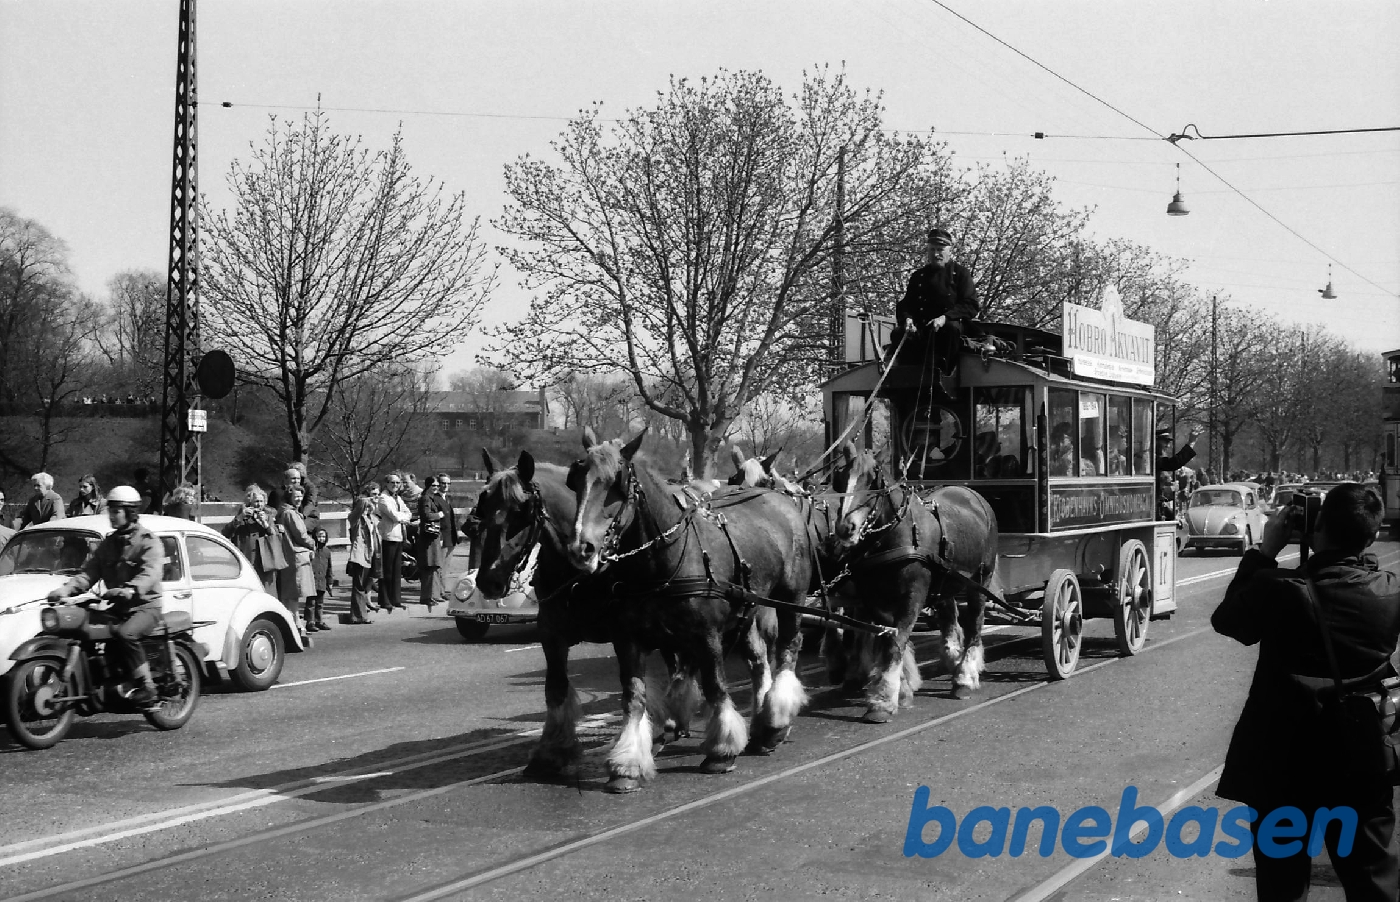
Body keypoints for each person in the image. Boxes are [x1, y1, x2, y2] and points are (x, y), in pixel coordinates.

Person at [1212, 484, 1400, 900]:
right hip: (1360, 754)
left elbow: (1228, 621)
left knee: (1282, 885)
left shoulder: (1277, 588)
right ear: (1371, 536)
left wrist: (1264, 552)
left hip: (1284, 759)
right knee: (1372, 880)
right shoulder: (1388, 589)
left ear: (1318, 528)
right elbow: (1357, 569)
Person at [45, 486, 164, 707]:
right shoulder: (108, 544)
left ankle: (147, 688)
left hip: (145, 607)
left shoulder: (148, 541)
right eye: (110, 510)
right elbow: (90, 573)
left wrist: (131, 589)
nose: (111, 515)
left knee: (126, 634)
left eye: (116, 510)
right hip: (118, 608)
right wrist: (66, 590)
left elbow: (151, 572)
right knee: (84, 626)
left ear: (130, 512)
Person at [890, 227, 982, 377]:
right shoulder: (918, 276)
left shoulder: (960, 274)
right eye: (932, 250)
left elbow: (970, 304)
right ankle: (905, 375)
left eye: (940, 250)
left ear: (949, 251)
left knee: (950, 330)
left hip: (949, 327)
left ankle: (945, 375)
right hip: (921, 329)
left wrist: (944, 318)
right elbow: (905, 304)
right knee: (898, 333)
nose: (936, 254)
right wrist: (907, 319)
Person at [223, 485, 282, 595]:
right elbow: (225, 533)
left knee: (266, 594)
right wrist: (240, 518)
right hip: (247, 560)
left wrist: (265, 524)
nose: (258, 505)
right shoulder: (242, 517)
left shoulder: (268, 517)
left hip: (265, 563)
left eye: (261, 501)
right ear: (250, 502)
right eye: (256, 501)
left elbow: (275, 537)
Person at [277, 485, 316, 643]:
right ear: (289, 497)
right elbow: (301, 535)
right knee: (293, 597)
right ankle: (297, 628)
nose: (299, 499)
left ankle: (295, 626)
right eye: (296, 496)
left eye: (301, 496)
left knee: (289, 597)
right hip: (296, 557)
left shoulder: (283, 512)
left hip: (288, 556)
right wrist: (313, 543)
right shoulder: (291, 514)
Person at [346, 482, 381, 624]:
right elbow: (360, 505)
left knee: (365, 585)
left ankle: (360, 614)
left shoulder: (371, 518)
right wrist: (368, 498)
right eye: (373, 495)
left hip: (370, 555)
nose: (375, 498)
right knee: (358, 586)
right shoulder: (356, 520)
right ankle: (359, 616)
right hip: (359, 556)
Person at [416, 475, 448, 612]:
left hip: (433, 536)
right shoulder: (425, 499)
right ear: (428, 486)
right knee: (429, 565)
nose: (436, 488)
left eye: (437, 486)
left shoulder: (430, 498)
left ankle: (432, 595)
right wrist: (439, 515)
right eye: (433, 486)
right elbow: (426, 515)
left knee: (434, 565)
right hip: (428, 537)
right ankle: (427, 596)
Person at [1156, 427, 1201, 519]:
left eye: (1168, 443)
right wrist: (1191, 443)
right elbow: (1173, 463)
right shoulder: (1151, 459)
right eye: (1165, 442)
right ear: (1155, 441)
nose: (1168, 446)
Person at [309, 527, 333, 632]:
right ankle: (310, 622)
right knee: (311, 603)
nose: (321, 538)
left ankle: (319, 621)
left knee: (320, 603)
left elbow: (329, 568)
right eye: (319, 536)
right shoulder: (311, 550)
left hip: (322, 581)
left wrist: (330, 581)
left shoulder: (327, 552)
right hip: (312, 580)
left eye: (323, 536)